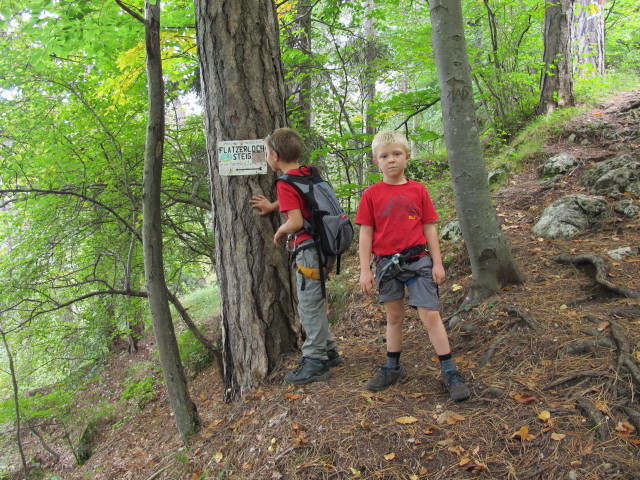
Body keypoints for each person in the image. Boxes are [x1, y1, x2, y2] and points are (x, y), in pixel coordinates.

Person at [355, 130, 470, 401]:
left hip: (418, 261)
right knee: (394, 317)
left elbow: (429, 228)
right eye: (384, 156)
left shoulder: (417, 189)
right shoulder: (371, 194)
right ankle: (392, 366)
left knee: (430, 315)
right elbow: (365, 234)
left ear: (407, 156)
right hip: (386, 265)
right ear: (376, 162)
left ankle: (450, 370)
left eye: (397, 154)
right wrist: (364, 270)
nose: (391, 160)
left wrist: (437, 263)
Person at [250, 127, 341, 385]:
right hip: (324, 247)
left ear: (276, 156)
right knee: (314, 300)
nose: (266, 157)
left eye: (267, 152)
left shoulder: (283, 182)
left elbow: (296, 220)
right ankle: (330, 350)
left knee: (309, 303)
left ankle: (315, 362)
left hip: (308, 250)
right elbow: (302, 196)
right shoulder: (309, 173)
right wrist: (273, 206)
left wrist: (280, 230)